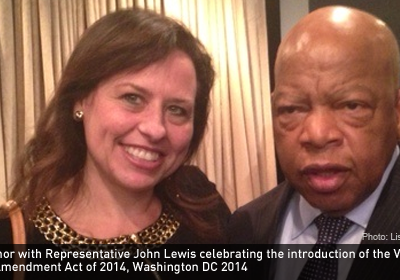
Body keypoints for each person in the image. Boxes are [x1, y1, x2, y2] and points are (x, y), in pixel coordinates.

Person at [0, 8, 230, 245]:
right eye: (132, 98)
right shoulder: (14, 238)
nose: (155, 129)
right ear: (80, 98)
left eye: (177, 110)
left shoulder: (202, 204)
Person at [228, 5, 400, 280]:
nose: (317, 135)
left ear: (396, 110)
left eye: (351, 105)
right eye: (291, 109)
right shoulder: (245, 228)